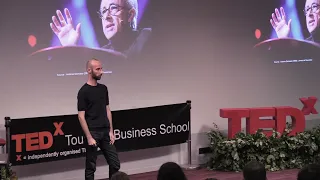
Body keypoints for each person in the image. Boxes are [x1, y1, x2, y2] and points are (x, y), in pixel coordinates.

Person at [50, 0, 152, 59]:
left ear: (130, 15)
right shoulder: (103, 55)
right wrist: (70, 48)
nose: (106, 16)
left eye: (113, 8)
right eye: (103, 11)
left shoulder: (150, 39)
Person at [77, 58, 120, 180]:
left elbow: (107, 109)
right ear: (89, 70)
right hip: (93, 132)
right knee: (91, 167)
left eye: (101, 68)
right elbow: (81, 116)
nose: (101, 72)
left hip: (105, 131)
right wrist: (89, 137)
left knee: (115, 164)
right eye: (98, 69)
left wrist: (111, 131)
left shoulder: (103, 88)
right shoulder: (83, 91)